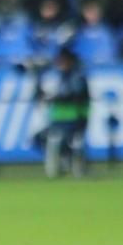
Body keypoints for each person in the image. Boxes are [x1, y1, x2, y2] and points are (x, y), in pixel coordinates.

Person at [43, 46, 91, 179]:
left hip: (75, 120)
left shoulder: (77, 77)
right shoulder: (58, 77)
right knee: (43, 138)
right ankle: (59, 166)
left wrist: (55, 97)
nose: (60, 63)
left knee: (72, 142)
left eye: (62, 60)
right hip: (59, 120)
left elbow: (75, 95)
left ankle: (73, 167)